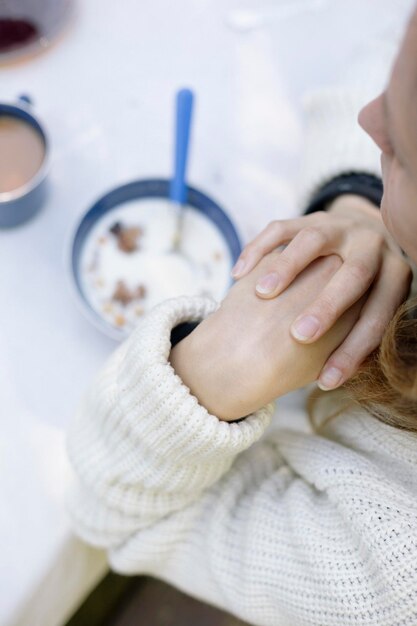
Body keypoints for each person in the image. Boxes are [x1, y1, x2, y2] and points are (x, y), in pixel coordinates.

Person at [66, 5, 417, 626]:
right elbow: (386, 53)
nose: (369, 119)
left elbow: (112, 516)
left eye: (409, 161)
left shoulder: (394, 577)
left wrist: (205, 380)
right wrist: (366, 207)